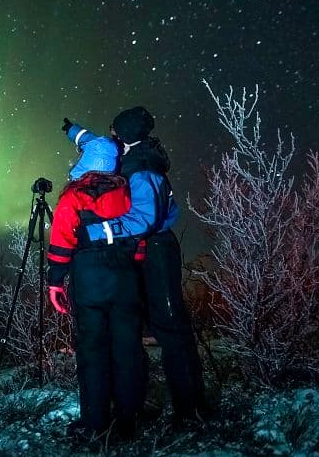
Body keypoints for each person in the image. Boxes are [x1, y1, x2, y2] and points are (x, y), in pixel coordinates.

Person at [62, 107, 207, 424]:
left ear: (125, 136)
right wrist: (74, 130)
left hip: (156, 251)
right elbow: (97, 144)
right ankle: (137, 405)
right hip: (135, 253)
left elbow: (144, 219)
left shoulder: (143, 171)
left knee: (170, 329)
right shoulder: (129, 154)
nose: (111, 135)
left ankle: (191, 411)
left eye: (115, 131)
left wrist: (97, 232)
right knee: (135, 329)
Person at [46, 133, 145, 440]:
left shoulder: (74, 196)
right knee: (127, 349)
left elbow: (62, 241)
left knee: (92, 351)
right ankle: (128, 421)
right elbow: (139, 235)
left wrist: (55, 281)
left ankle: (95, 422)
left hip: (89, 281)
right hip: (125, 279)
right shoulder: (128, 192)